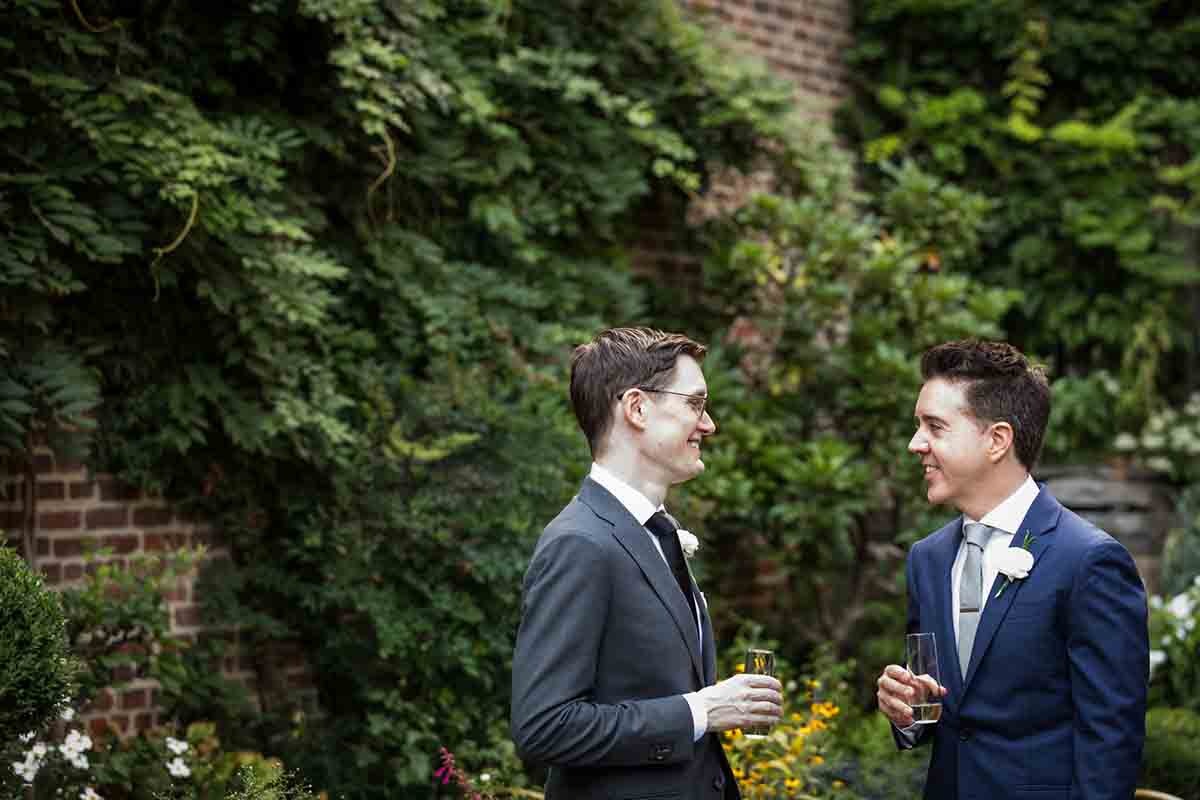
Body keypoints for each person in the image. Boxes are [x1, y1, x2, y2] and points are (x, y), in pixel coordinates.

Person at [511, 327, 783, 800]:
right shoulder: (580, 543)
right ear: (637, 408)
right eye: (695, 404)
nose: (709, 424)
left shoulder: (655, 534)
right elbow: (544, 726)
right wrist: (699, 712)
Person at [876, 340, 1149, 800]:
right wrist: (908, 713)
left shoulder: (1089, 561)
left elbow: (1111, 741)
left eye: (935, 427)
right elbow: (944, 709)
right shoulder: (927, 559)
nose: (915, 443)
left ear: (997, 440)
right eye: (917, 426)